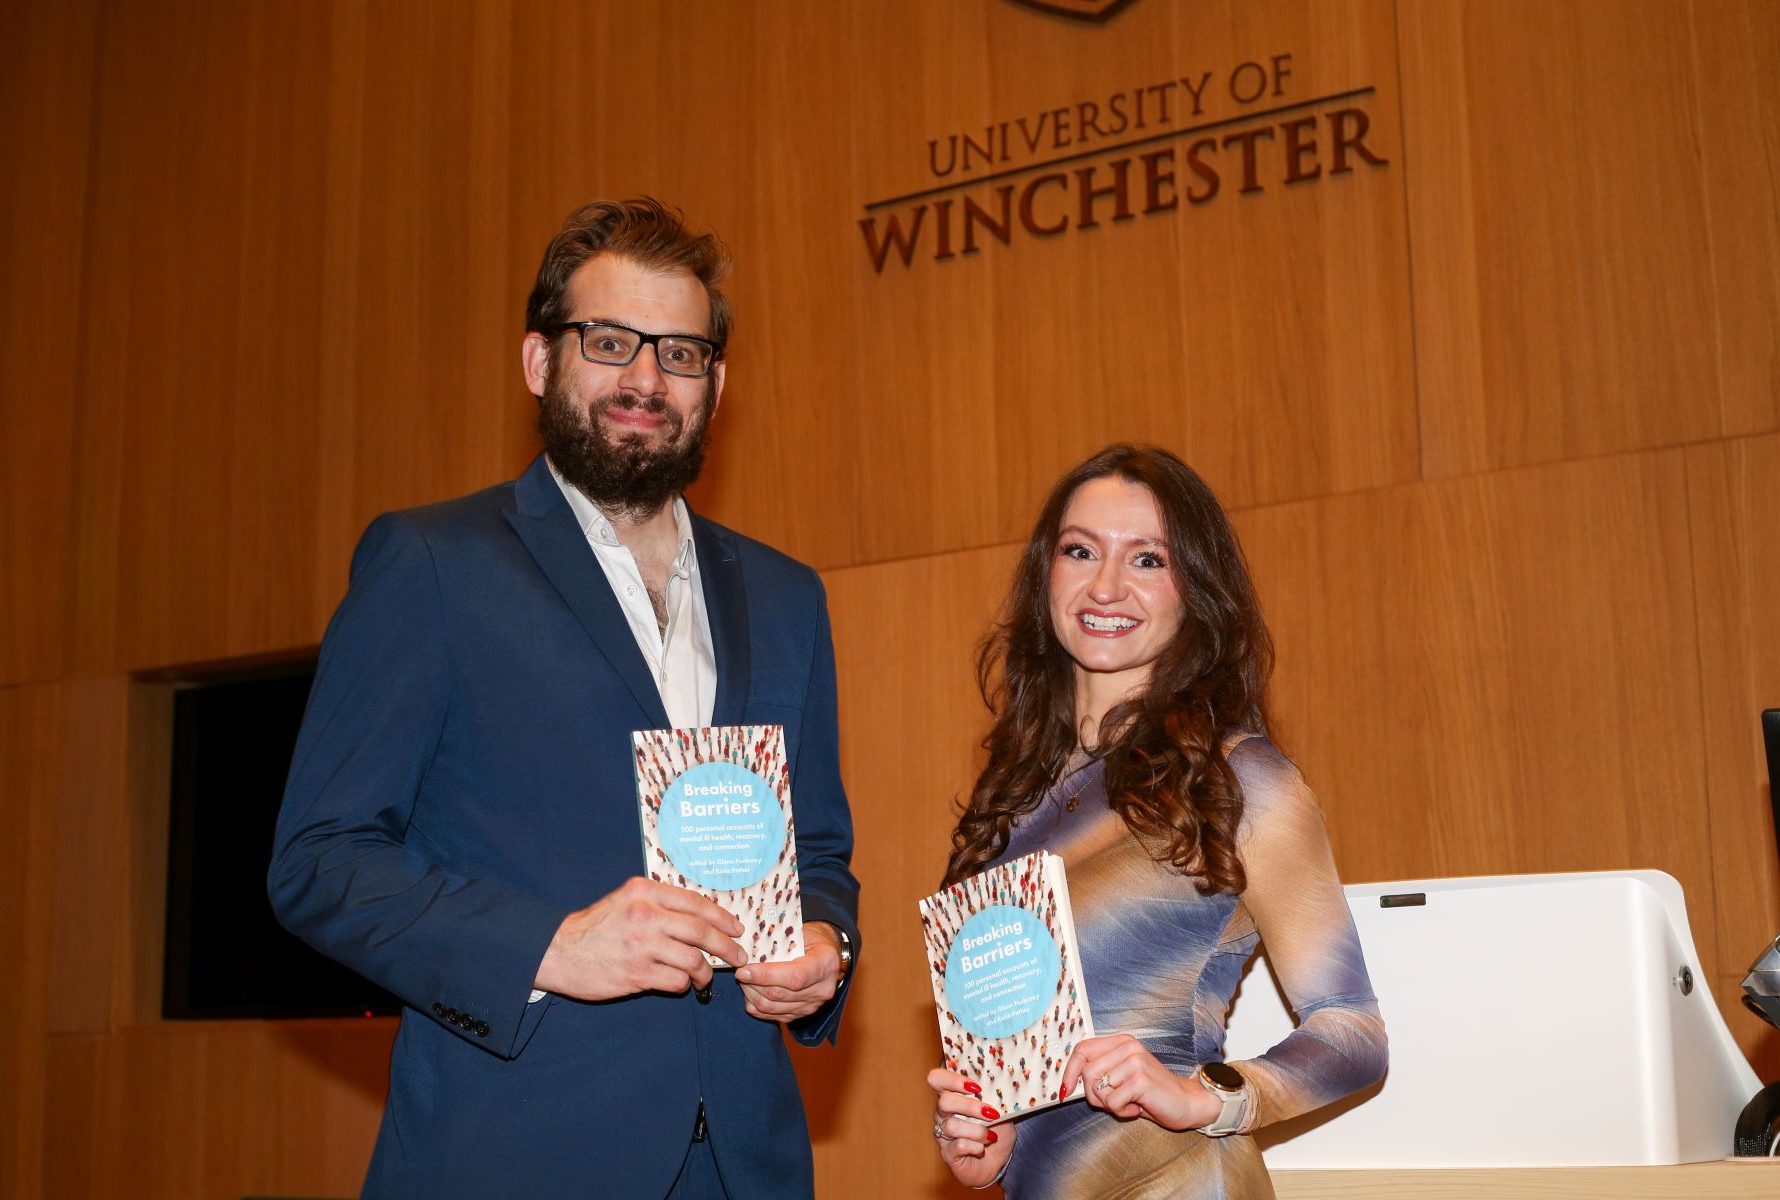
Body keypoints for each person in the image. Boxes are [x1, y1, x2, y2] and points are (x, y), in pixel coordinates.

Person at [269, 198, 859, 1200]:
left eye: (679, 352)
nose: (645, 379)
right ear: (540, 363)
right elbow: (320, 865)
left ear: (716, 383)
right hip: (513, 1154)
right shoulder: (431, 565)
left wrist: (825, 945)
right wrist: (553, 947)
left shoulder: (787, 597)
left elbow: (821, 855)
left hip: (747, 1163)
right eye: (610, 341)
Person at [927, 444, 1386, 1198]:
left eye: (1147, 560)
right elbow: (1027, 1065)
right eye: (1080, 551)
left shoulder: (1239, 777)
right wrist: (988, 1138)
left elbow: (1353, 1031)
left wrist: (1207, 1096)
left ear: (1196, 591)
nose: (1105, 585)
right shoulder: (1010, 799)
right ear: (1047, 572)